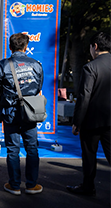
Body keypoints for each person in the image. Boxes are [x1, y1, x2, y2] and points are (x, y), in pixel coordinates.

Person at [0, 33, 44, 195]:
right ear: (26, 47)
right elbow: (38, 87)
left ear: (10, 47)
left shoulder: (2, 65)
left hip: (10, 112)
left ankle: (15, 185)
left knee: (13, 149)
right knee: (32, 148)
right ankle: (31, 185)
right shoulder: (36, 65)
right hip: (30, 112)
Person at [67, 31, 111, 196]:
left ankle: (88, 187)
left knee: (89, 155)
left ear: (95, 46)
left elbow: (84, 97)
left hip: (92, 121)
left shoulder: (90, 67)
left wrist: (77, 122)